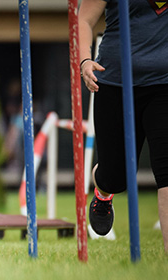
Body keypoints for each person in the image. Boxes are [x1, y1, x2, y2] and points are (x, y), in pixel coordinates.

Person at [79, 0, 168, 252]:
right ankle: (103, 191)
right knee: (115, 176)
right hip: (114, 81)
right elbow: (83, 20)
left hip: (164, 83)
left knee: (166, 172)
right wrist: (85, 60)